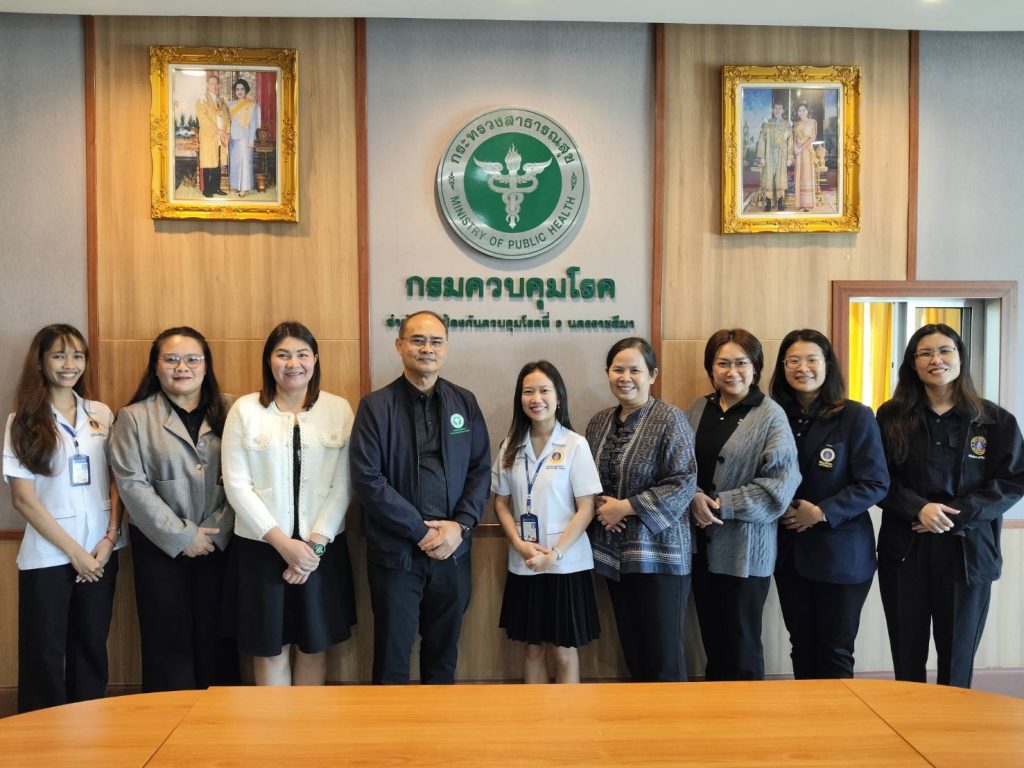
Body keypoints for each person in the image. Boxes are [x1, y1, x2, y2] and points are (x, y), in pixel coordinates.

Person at [876, 323, 1024, 688]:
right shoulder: (891, 416)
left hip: (967, 552)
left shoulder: (994, 420)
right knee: (906, 655)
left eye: (945, 351)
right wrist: (919, 508)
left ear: (960, 358)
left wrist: (954, 516)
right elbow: (877, 478)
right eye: (925, 353)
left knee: (957, 659)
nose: (936, 359)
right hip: (906, 548)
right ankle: (907, 720)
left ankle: (952, 724)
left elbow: (1012, 481)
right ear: (913, 363)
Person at [350, 310, 490, 685]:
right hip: (397, 553)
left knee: (443, 658)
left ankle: (438, 725)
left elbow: (480, 469)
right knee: (392, 658)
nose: (427, 348)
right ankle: (392, 727)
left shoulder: (465, 403)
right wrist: (420, 531)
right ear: (400, 345)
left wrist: (460, 527)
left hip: (453, 552)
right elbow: (367, 479)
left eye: (436, 341)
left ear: (446, 348)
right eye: (417, 340)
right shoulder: (375, 406)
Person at [221, 321, 357, 686]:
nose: (292, 363)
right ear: (269, 361)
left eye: (301, 354)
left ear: (315, 359)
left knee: (314, 646)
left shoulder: (338, 409)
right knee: (269, 648)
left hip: (321, 549)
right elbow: (237, 486)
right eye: (282, 355)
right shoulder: (245, 410)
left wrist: (313, 547)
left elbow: (344, 484)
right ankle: (273, 724)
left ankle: (307, 724)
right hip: (261, 549)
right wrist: (283, 544)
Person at [2, 324, 125, 712]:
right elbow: (23, 499)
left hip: (101, 551)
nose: (69, 364)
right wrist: (75, 553)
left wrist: (109, 538)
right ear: (40, 363)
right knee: (44, 652)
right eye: (58, 355)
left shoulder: (101, 414)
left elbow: (118, 481)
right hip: (50, 555)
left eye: (77, 356)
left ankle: (89, 727)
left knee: (91, 646)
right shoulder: (23, 420)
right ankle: (41, 734)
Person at [110, 326, 239, 692]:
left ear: (206, 365)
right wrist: (183, 536)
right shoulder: (133, 417)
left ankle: (220, 720)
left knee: (219, 641)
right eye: (171, 359)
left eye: (193, 359)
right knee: (167, 642)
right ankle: (167, 719)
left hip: (220, 544)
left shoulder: (232, 409)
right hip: (160, 548)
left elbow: (247, 478)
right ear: (156, 366)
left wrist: (216, 530)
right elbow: (132, 484)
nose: (182, 367)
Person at [769, 329, 889, 679]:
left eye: (812, 359)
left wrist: (822, 512)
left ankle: (839, 716)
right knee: (802, 645)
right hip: (790, 553)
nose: (802, 367)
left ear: (827, 365)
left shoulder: (855, 416)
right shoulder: (774, 415)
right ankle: (809, 715)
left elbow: (875, 483)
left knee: (835, 650)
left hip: (841, 556)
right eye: (793, 360)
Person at [685, 328, 799, 681]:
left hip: (746, 552)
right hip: (699, 546)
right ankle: (718, 712)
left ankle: (748, 713)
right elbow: (680, 468)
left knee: (742, 647)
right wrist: (693, 496)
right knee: (713, 642)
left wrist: (721, 504)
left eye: (741, 363)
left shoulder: (771, 415)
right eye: (722, 363)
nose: (731, 371)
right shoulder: (697, 409)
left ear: (755, 368)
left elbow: (779, 488)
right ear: (711, 368)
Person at [586, 337, 696, 682]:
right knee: (633, 651)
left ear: (652, 375)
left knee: (663, 657)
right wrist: (601, 505)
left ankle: (671, 718)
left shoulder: (671, 419)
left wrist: (627, 507)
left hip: (661, 555)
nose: (625, 377)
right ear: (607, 372)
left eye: (635, 370)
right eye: (618, 369)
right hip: (616, 555)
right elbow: (585, 477)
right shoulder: (599, 422)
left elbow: (684, 480)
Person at [493, 361, 602, 684]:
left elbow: (586, 508)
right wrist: (518, 544)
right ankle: (535, 715)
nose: (536, 398)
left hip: (565, 563)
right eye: (528, 391)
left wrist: (555, 554)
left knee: (563, 651)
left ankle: (568, 716)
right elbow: (500, 503)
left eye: (544, 390)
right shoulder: (510, 445)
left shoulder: (575, 444)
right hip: (525, 559)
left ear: (558, 397)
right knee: (532, 649)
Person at [754, 102, 793, 212]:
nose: (777, 110)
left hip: (781, 156)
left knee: (780, 178)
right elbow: (762, 140)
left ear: (783, 110)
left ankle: (780, 202)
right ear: (772, 110)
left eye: (780, 108)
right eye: (775, 108)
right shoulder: (767, 124)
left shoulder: (787, 125)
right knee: (768, 178)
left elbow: (790, 142)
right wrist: (761, 157)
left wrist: (789, 158)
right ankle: (768, 202)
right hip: (769, 155)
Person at [196, 73, 229, 198]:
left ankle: (216, 187)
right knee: (209, 162)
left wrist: (226, 132)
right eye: (212, 83)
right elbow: (203, 118)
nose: (214, 86)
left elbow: (226, 117)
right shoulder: (202, 99)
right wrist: (216, 130)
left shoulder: (220, 101)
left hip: (221, 136)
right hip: (209, 136)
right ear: (207, 85)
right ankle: (207, 190)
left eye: (216, 84)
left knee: (218, 162)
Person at [228, 78, 260, 198]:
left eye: (242, 89)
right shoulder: (231, 104)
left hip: (246, 139)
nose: (240, 91)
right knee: (235, 163)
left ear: (246, 90)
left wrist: (251, 139)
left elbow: (253, 123)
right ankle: (237, 186)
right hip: (233, 138)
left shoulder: (252, 105)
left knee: (245, 163)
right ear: (235, 91)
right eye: (237, 89)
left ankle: (244, 188)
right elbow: (227, 121)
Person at [792, 102, 818, 212]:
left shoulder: (812, 122)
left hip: (807, 151)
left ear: (807, 111)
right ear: (797, 113)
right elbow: (794, 138)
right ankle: (800, 204)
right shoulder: (796, 124)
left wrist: (801, 148)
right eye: (799, 110)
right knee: (799, 175)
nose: (801, 112)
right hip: (798, 153)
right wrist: (795, 148)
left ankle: (808, 204)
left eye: (803, 110)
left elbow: (812, 138)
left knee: (806, 175)